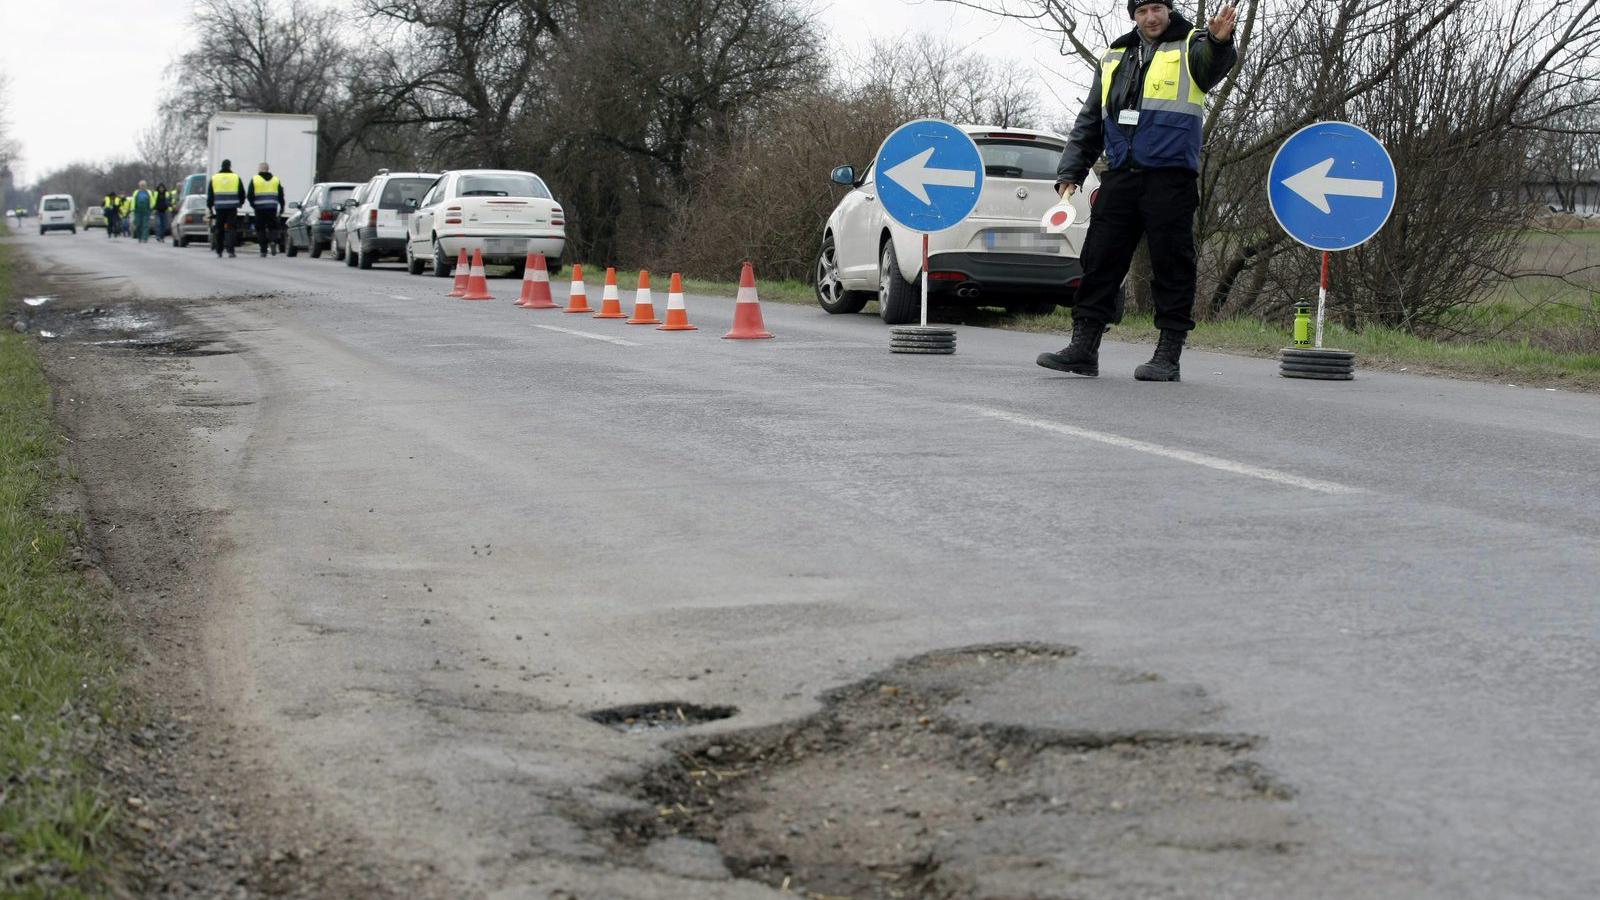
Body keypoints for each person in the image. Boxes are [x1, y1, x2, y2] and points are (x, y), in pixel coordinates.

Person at [1036, 0, 1238, 382]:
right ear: (1134, 16)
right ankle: (1083, 348)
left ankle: (1168, 354)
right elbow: (1091, 119)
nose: (1151, 17)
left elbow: (1212, 67)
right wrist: (1071, 172)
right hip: (1120, 175)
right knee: (1099, 261)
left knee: (1172, 265)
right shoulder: (1114, 55)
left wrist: (1219, 42)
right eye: (1143, 10)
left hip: (1170, 176)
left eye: (1157, 8)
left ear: (1169, 10)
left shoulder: (1192, 44)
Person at [207, 159, 246, 258]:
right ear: (230, 166)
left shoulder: (215, 178)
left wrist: (210, 206)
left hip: (219, 208)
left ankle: (219, 250)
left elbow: (210, 194)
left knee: (219, 229)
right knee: (231, 229)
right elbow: (242, 193)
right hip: (232, 207)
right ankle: (231, 250)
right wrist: (240, 203)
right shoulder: (235, 177)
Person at [247, 161, 285, 257]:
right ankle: (272, 241)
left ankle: (263, 250)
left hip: (259, 208)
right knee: (273, 227)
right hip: (272, 208)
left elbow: (250, 195)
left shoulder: (255, 179)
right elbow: (281, 195)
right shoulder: (275, 180)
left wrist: (253, 205)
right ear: (268, 169)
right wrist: (282, 206)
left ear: (260, 169)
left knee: (260, 229)